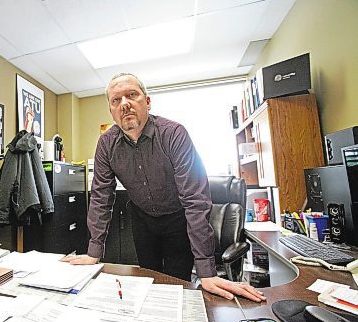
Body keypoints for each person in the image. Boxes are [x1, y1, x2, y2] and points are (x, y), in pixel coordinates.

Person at [63, 73, 265, 302]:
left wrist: (207, 272)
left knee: (175, 287)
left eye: (132, 95)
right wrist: (93, 252)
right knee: (149, 282)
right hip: (142, 220)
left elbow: (195, 200)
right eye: (116, 100)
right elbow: (101, 196)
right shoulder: (106, 144)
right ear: (111, 111)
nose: (125, 104)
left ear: (147, 102)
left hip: (178, 220)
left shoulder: (173, 134)